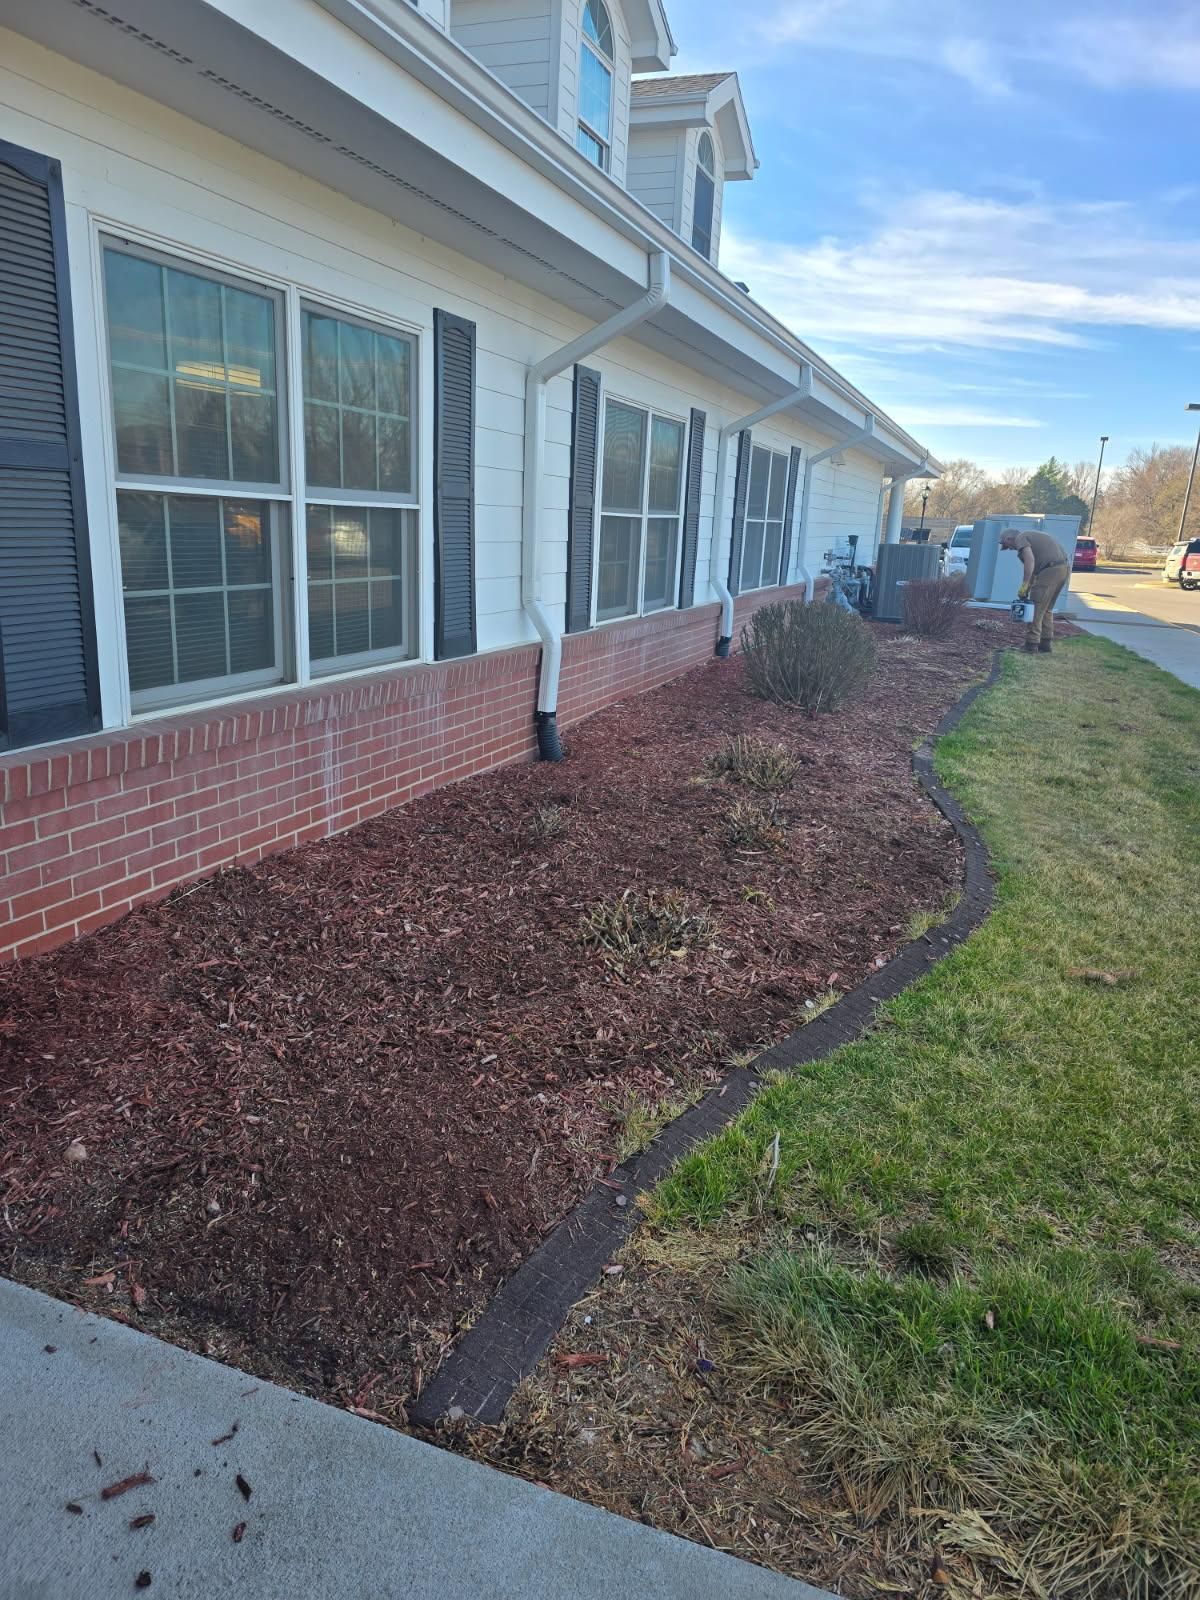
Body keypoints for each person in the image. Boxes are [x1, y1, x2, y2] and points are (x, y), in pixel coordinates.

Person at [999, 527, 1070, 653]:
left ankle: (1031, 645)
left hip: (1050, 571)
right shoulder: (1033, 537)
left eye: (1007, 545)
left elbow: (1030, 561)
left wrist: (1025, 584)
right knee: (1046, 609)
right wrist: (1027, 588)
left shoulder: (1021, 538)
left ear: (1010, 538)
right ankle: (1045, 643)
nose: (1009, 548)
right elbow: (1034, 570)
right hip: (1062, 570)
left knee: (1036, 608)